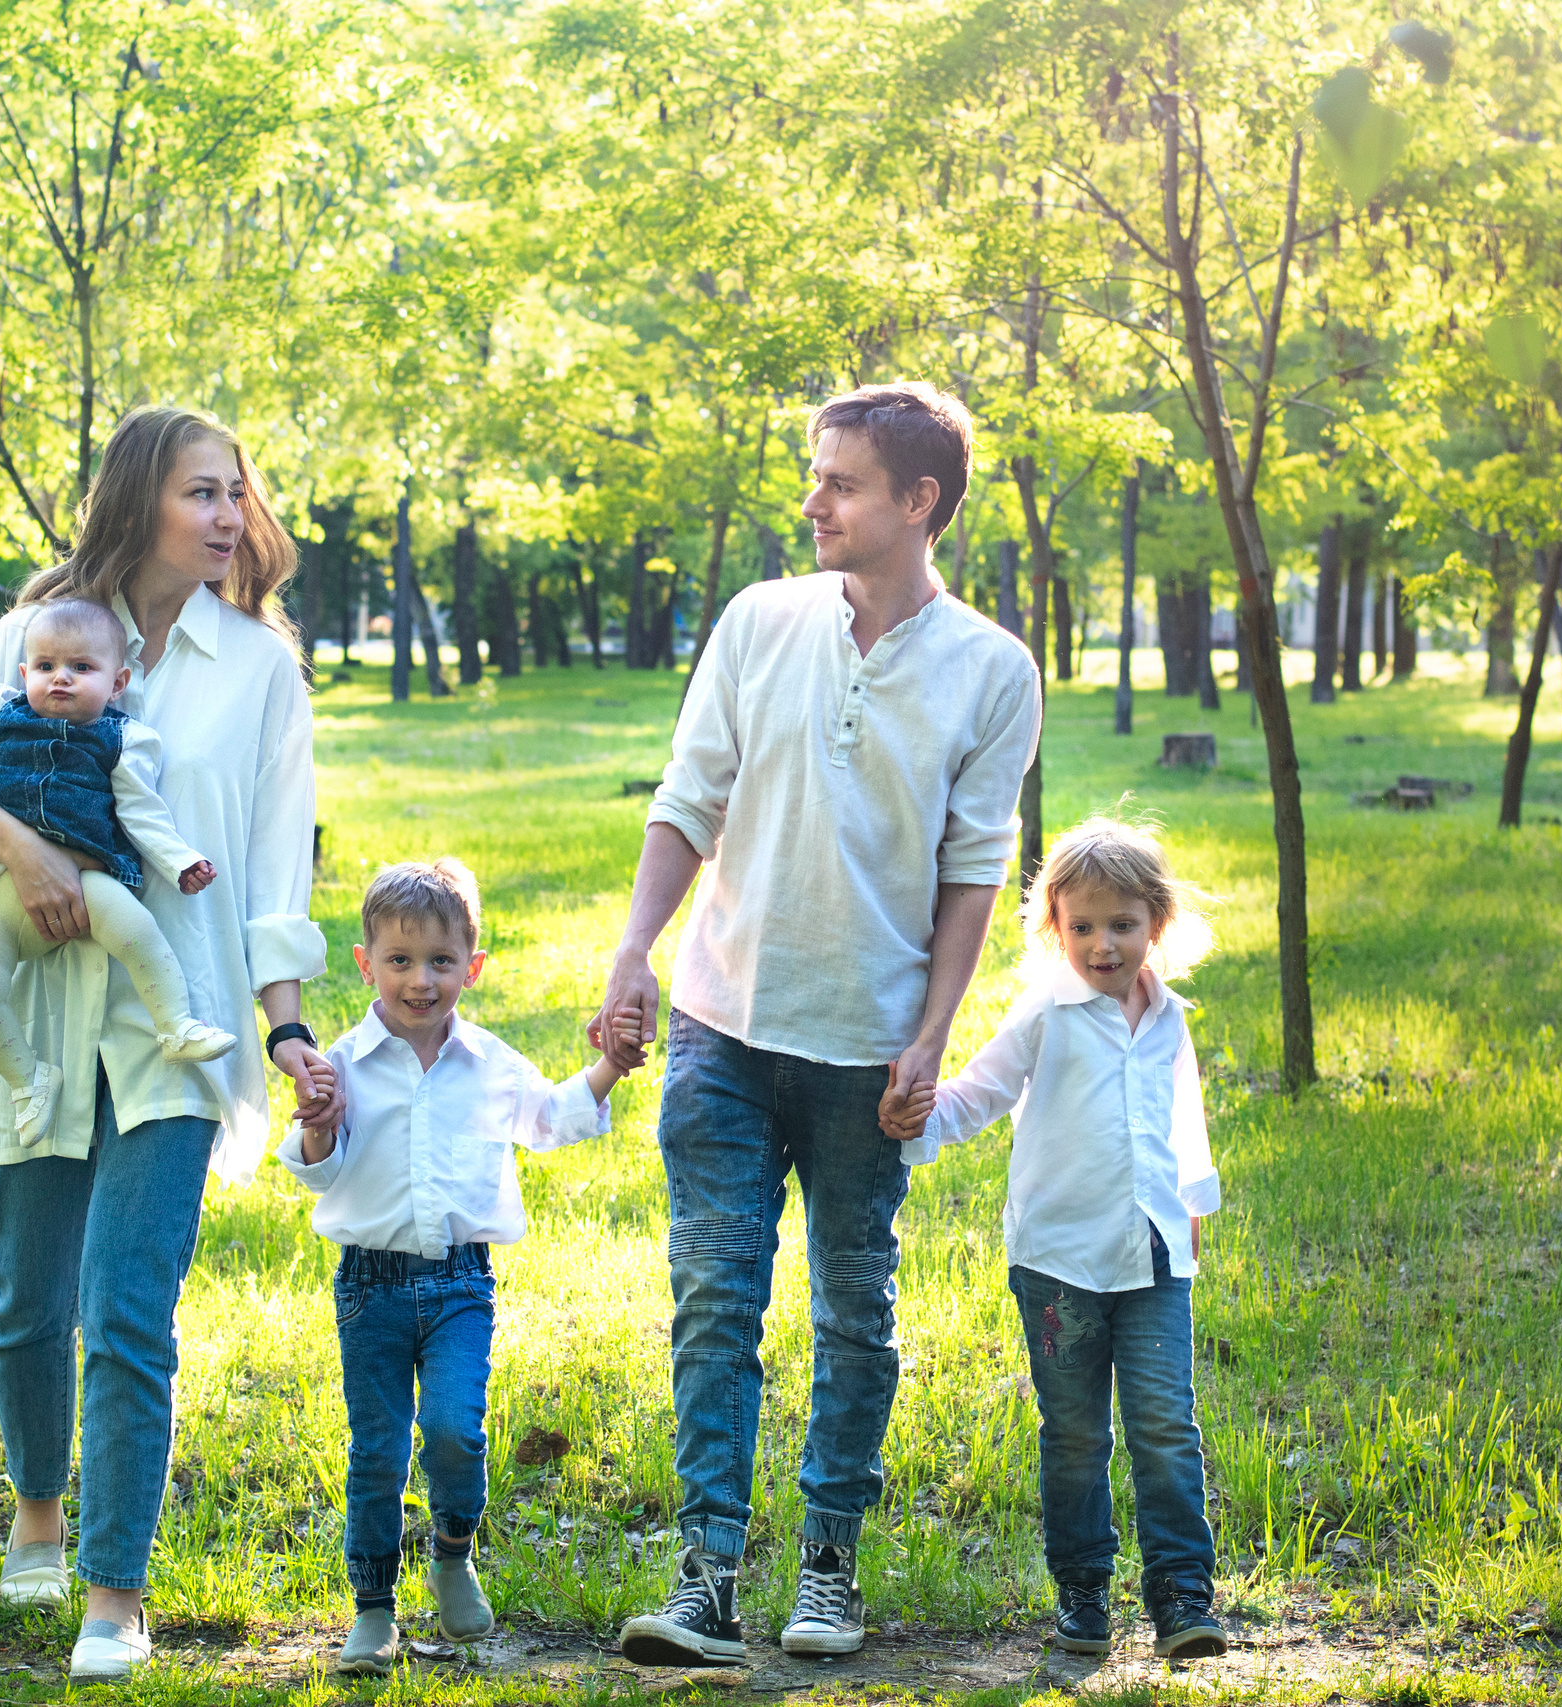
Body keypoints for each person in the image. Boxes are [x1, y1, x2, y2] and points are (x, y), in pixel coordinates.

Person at [0, 406, 335, 1682]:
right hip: (36, 1010)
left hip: (171, 1019)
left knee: (128, 1306)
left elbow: (271, 862)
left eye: (237, 496)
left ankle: (114, 1591)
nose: (230, 518)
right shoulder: (34, 636)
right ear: (139, 500)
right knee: (29, 1297)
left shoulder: (259, 670)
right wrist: (15, 848)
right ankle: (35, 1509)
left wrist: (288, 1028)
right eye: (204, 493)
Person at [593, 381, 1042, 1665]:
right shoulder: (758, 621)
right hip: (723, 1028)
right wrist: (635, 948)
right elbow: (688, 798)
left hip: (868, 1059)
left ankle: (829, 1568)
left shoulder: (993, 672)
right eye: (814, 474)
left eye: (840, 481)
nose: (814, 501)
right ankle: (706, 1576)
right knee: (714, 1303)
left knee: (854, 1310)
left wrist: (933, 1032)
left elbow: (975, 869)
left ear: (919, 502)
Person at [878, 817, 1229, 1664]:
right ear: (1055, 927)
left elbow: (1182, 1122)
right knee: (1074, 1432)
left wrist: (1190, 1213)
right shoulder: (1046, 1012)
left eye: (1122, 925)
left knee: (1165, 1427)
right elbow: (980, 1094)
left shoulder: (1170, 1017)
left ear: (1158, 923)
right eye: (1082, 926)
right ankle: (1082, 1590)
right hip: (1059, 1266)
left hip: (1153, 1260)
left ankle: (1183, 1592)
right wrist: (915, 1115)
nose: (1102, 944)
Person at [275, 858, 631, 1674]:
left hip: (461, 1284)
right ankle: (372, 1608)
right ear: (367, 963)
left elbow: (551, 1118)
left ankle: (452, 1547)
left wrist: (608, 1063)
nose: (421, 980)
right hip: (369, 1285)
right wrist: (322, 1127)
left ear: (472, 966)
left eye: (440, 961)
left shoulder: (491, 1064)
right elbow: (317, 1167)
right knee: (376, 1449)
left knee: (453, 1430)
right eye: (400, 960)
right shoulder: (344, 1062)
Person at [0, 597, 238, 1146]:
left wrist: (180, 861)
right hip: (5, 892)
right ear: (24, 673)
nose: (60, 679)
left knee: (137, 932)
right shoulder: (2, 714)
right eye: (46, 667)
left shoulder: (122, 738)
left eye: (81, 668)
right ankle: (27, 1079)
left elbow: (142, 811)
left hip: (89, 879)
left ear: (117, 682)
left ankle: (175, 1024)